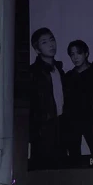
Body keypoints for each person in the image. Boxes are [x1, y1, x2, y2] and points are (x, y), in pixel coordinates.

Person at [28, 27, 65, 166]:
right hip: (43, 128)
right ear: (37, 49)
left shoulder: (59, 69)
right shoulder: (33, 72)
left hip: (60, 124)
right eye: (44, 42)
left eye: (52, 40)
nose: (51, 45)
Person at [63, 40, 93, 157]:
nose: (75, 57)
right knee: (74, 155)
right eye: (72, 54)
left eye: (78, 53)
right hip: (73, 122)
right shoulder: (68, 76)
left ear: (86, 53)